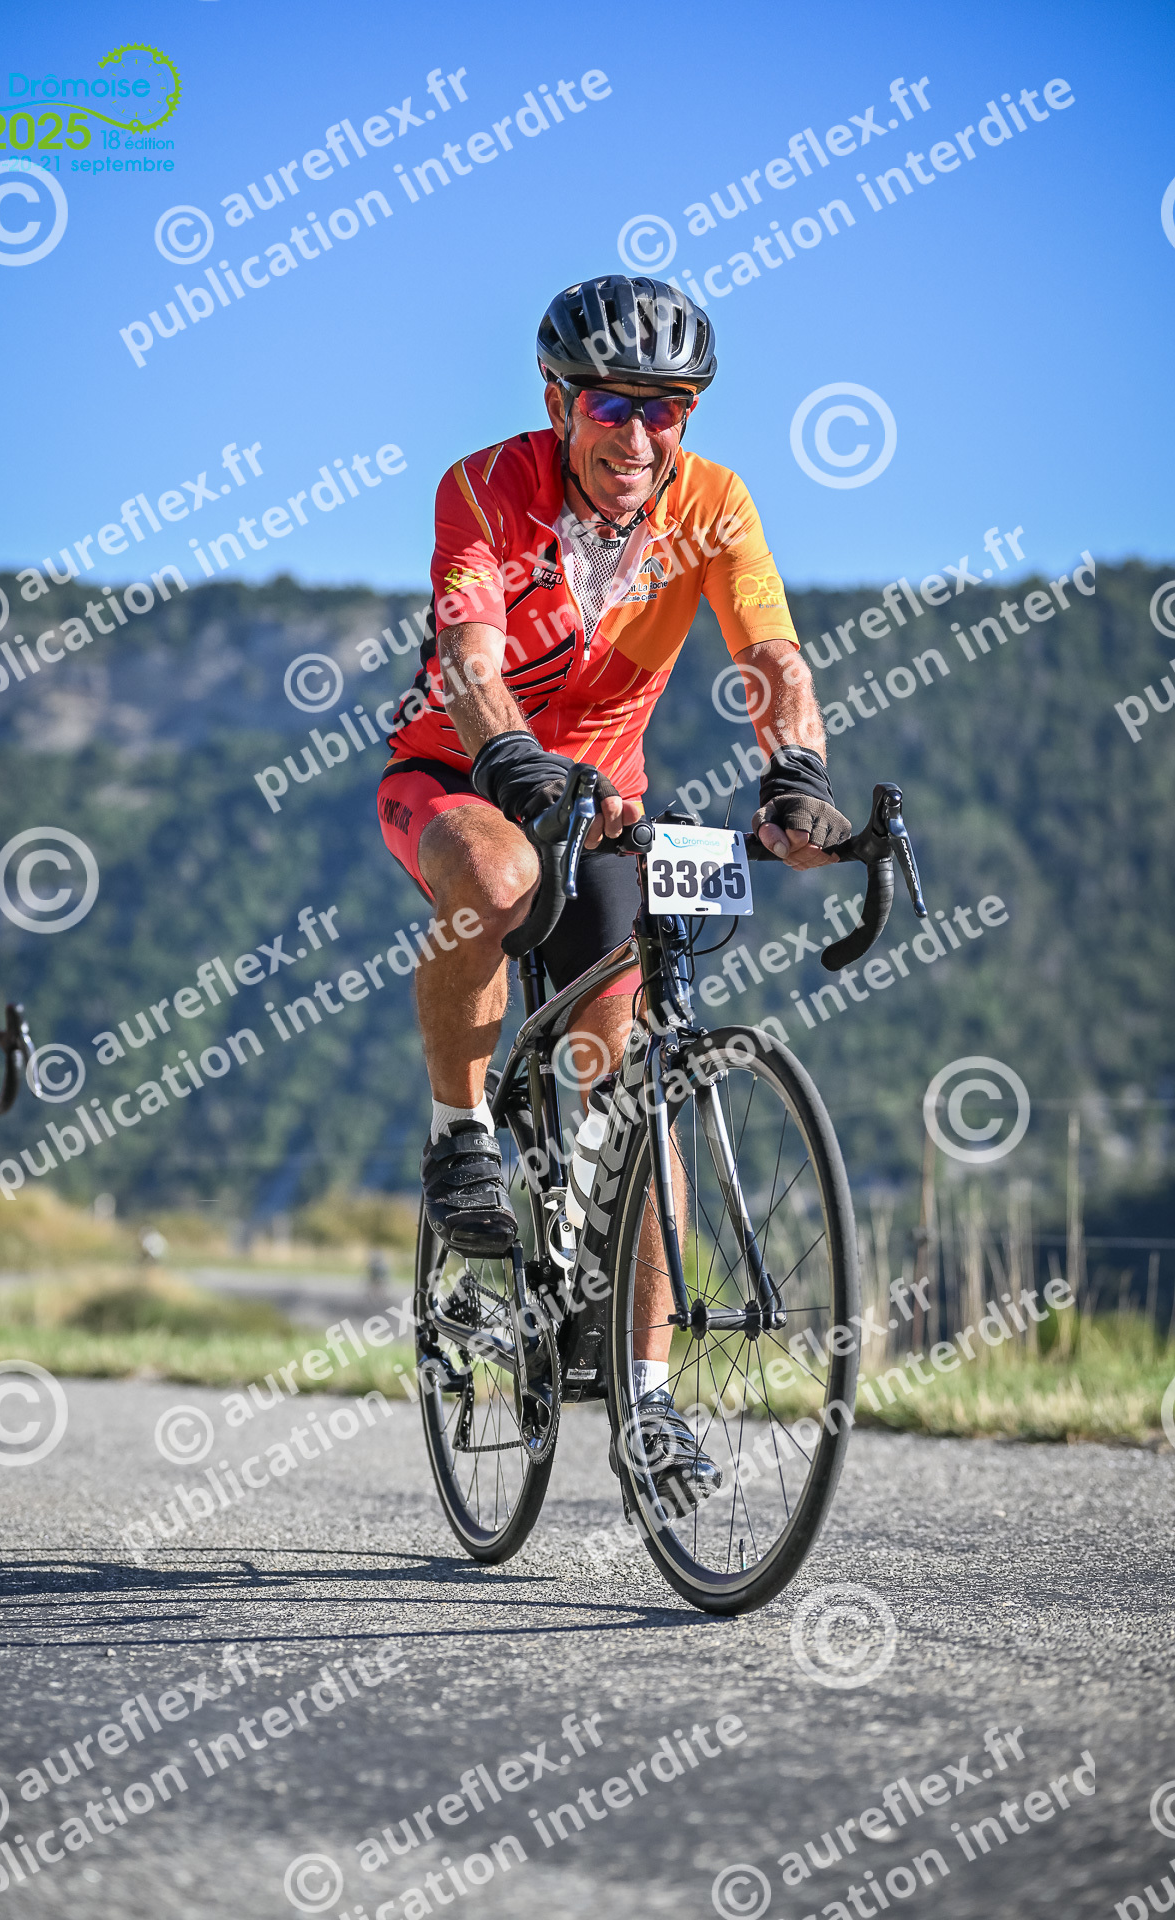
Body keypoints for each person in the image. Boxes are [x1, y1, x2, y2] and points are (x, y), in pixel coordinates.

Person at [376, 276, 848, 1497]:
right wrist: (508, 756)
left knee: (628, 1086)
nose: (636, 435)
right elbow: (468, 653)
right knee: (498, 874)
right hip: (459, 770)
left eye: (663, 407)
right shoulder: (484, 486)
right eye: (608, 405)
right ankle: (459, 1137)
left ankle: (645, 1401)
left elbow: (770, 651)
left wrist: (796, 776)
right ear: (557, 403)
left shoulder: (714, 504)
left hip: (607, 804)